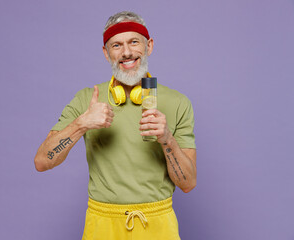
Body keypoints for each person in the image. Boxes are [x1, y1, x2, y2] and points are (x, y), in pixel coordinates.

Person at [34, 11, 197, 240]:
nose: (127, 52)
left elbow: (188, 183)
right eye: (116, 45)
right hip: (102, 224)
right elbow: (42, 161)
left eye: (134, 42)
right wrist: (82, 124)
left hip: (157, 224)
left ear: (148, 45)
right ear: (106, 52)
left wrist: (167, 139)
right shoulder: (86, 99)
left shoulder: (178, 102)